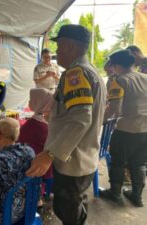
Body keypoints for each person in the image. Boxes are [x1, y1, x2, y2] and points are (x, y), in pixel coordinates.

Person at [26, 24, 106, 225]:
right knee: (75, 202)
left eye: (59, 46)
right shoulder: (91, 72)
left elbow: (79, 120)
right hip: (85, 156)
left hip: (73, 160)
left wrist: (49, 154)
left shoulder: (75, 74)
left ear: (70, 46)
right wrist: (53, 112)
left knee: (65, 208)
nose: (56, 52)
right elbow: (78, 111)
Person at [99, 50, 147, 207]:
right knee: (139, 163)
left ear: (117, 65)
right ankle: (137, 197)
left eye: (112, 65)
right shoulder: (145, 77)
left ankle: (115, 193)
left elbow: (114, 108)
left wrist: (100, 121)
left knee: (118, 162)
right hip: (145, 130)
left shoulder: (119, 81)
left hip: (126, 129)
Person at [18, 88, 54, 201]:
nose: (29, 102)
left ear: (38, 102)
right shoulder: (49, 122)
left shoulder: (33, 124)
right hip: (50, 165)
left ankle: (38, 196)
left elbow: (19, 142)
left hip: (38, 168)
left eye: (31, 100)